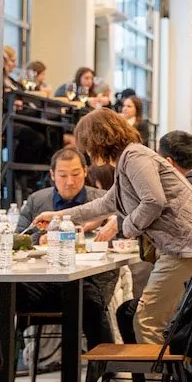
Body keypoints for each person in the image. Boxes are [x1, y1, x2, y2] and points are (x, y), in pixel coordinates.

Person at [33, 109, 192, 382]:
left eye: (86, 143)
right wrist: (58, 215)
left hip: (187, 247)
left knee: (147, 321)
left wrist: (126, 228)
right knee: (148, 320)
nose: (85, 150)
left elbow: (153, 200)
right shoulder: (128, 161)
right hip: (188, 246)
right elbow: (103, 205)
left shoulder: (134, 157)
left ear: (97, 139)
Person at [16, 147, 118, 349]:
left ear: (86, 172)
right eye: (62, 175)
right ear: (52, 175)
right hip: (43, 283)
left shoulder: (102, 199)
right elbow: (20, 239)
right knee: (8, 298)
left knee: (91, 302)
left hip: (88, 281)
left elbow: (123, 236)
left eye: (76, 174)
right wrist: (40, 238)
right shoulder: (37, 201)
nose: (70, 182)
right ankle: (1, 372)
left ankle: (103, 373)